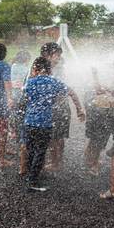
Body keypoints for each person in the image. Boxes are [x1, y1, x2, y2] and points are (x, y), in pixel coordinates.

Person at [23, 57, 85, 191]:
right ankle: (33, 181)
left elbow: (27, 99)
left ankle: (30, 175)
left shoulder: (29, 82)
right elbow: (72, 93)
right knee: (40, 152)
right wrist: (79, 109)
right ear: (50, 70)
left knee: (31, 150)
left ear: (35, 69)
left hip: (29, 123)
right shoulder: (54, 82)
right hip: (45, 123)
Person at [39, 42, 85, 171]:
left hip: (58, 107)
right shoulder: (49, 68)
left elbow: (65, 89)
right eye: (57, 55)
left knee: (55, 137)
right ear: (47, 55)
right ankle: (57, 161)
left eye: (59, 55)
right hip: (58, 106)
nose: (59, 57)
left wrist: (78, 107)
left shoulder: (55, 69)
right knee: (57, 136)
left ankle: (55, 163)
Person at [10, 49, 31, 174]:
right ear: (26, 60)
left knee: (16, 116)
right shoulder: (26, 69)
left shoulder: (13, 66)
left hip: (14, 96)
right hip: (22, 98)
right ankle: (22, 140)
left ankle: (15, 134)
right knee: (23, 118)